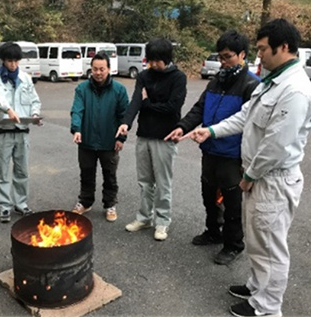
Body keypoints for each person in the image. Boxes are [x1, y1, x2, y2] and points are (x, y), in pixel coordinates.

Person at [186, 18, 311, 317]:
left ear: (284, 47)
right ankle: (257, 286)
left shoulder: (294, 90)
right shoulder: (271, 83)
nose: (260, 56)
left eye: (263, 49)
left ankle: (267, 307)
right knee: (257, 239)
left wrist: (250, 175)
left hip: (272, 179)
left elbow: (277, 145)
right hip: (261, 177)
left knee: (270, 246)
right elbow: (245, 117)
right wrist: (211, 131)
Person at [165, 30, 260, 265]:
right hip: (209, 150)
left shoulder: (251, 85)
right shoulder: (217, 81)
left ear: (242, 55)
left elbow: (249, 124)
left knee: (232, 203)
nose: (223, 62)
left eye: (227, 57)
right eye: (220, 57)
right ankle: (212, 232)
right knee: (208, 195)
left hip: (232, 155)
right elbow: (199, 108)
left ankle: (233, 244)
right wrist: (182, 126)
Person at [117, 38, 187, 241]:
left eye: (158, 61)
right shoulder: (144, 76)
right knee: (145, 182)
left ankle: (162, 222)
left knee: (163, 183)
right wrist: (126, 124)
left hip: (165, 137)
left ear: (167, 59)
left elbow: (172, 108)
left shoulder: (178, 78)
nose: (154, 64)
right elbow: (136, 101)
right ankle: (144, 217)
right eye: (151, 60)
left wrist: (149, 104)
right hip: (144, 135)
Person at [70, 52, 129, 221]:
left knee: (110, 175)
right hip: (86, 140)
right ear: (91, 69)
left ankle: (110, 204)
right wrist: (77, 129)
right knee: (86, 173)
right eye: (95, 69)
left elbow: (124, 116)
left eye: (102, 69)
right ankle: (85, 201)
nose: (98, 73)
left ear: (109, 69)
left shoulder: (119, 90)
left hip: (109, 141)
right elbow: (77, 110)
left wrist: (120, 139)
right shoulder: (82, 89)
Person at [0, 42, 42, 223]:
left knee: (22, 170)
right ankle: (4, 206)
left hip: (22, 131)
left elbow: (34, 100)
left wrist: (35, 114)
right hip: (3, 131)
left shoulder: (25, 78)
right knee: (3, 172)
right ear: (3, 60)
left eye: (16, 61)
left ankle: (21, 203)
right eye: (10, 61)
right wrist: (9, 110)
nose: (13, 65)